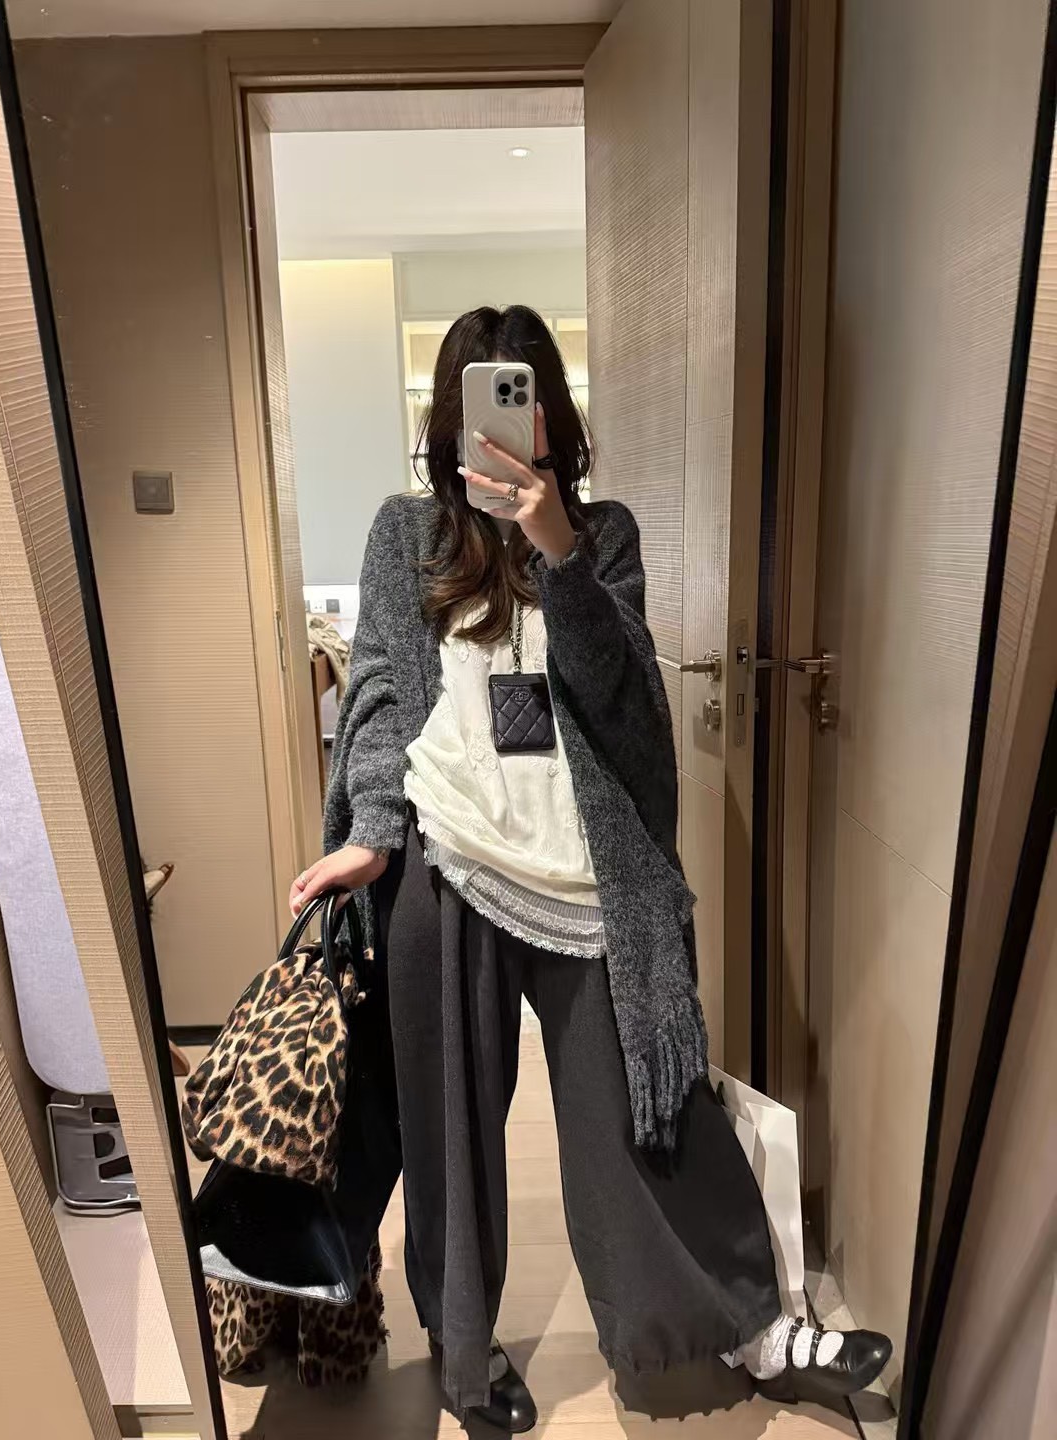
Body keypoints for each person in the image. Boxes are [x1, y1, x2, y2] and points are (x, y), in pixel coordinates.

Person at [291, 305, 892, 1431]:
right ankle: (465, 1358)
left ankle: (754, 1325)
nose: (500, 430)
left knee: (649, 1106)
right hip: (444, 864)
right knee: (451, 1137)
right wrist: (370, 829)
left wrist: (557, 548)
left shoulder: (600, 534)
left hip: (583, 874)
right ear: (448, 425)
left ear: (552, 418)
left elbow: (627, 707)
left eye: (520, 403)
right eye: (478, 405)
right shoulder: (403, 535)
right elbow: (374, 690)